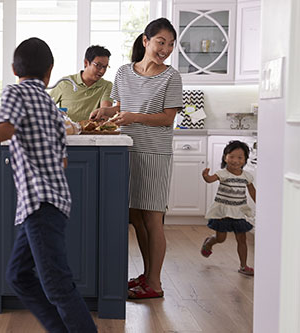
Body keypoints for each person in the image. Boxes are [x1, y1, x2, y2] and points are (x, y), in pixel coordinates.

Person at [0, 37, 97, 332]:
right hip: (52, 203)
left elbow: (6, 128)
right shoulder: (50, 104)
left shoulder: (15, 92)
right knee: (18, 275)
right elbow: (63, 161)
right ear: (50, 71)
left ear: (14, 68)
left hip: (39, 202)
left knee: (56, 286)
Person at [90, 18, 183, 299]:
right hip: (127, 149)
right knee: (136, 217)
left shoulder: (171, 76)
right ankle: (147, 274)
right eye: (160, 42)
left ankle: (155, 284)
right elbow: (120, 108)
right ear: (146, 41)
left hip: (155, 152)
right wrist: (104, 113)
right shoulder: (123, 72)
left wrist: (133, 117)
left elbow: (167, 119)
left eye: (169, 44)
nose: (165, 49)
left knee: (153, 218)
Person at [200, 140, 256, 276]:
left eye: (239, 157)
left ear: (245, 160)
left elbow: (252, 191)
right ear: (225, 157)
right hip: (223, 213)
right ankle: (209, 243)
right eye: (231, 156)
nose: (235, 161)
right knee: (221, 238)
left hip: (238, 212)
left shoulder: (246, 176)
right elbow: (210, 180)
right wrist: (206, 176)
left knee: (242, 239)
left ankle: (243, 266)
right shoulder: (222, 173)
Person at [49, 45, 113, 122]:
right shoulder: (65, 83)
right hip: (69, 132)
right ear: (86, 62)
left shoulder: (106, 86)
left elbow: (105, 113)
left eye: (105, 67)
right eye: (98, 66)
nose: (102, 71)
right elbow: (45, 106)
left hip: (92, 132)